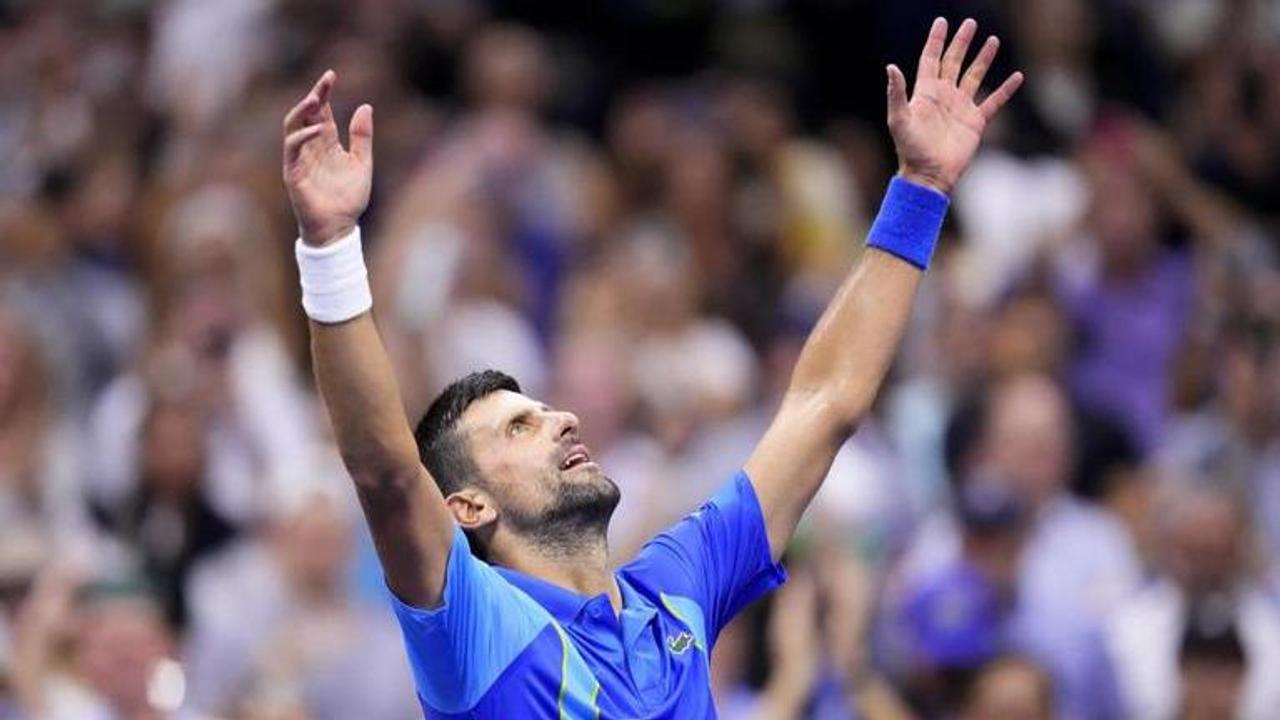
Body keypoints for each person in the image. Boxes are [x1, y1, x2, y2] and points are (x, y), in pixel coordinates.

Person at [279, 16, 1022, 718]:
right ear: (469, 507)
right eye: (518, 428)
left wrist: (920, 192)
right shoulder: (472, 625)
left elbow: (824, 405)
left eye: (541, 410)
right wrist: (331, 244)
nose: (560, 417)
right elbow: (385, 469)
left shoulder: (676, 588)